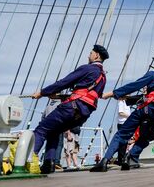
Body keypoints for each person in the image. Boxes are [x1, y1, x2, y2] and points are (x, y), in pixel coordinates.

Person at [31, 44, 108, 174]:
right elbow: (88, 94)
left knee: (41, 129)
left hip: (71, 108)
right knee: (54, 132)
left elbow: (64, 82)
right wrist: (61, 96)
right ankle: (48, 164)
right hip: (82, 114)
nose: (88, 55)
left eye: (90, 53)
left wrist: (42, 92)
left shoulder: (88, 69)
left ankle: (29, 160)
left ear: (96, 55)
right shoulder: (103, 77)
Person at [90, 67, 154, 172]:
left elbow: (135, 85)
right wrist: (127, 98)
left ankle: (105, 161)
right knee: (146, 137)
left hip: (147, 109)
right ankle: (132, 158)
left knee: (122, 134)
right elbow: (152, 97)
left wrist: (112, 94)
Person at [117, 99, 131, 164]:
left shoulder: (126, 102)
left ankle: (122, 159)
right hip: (122, 124)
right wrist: (130, 116)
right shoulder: (121, 102)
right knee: (122, 142)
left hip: (126, 123)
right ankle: (121, 159)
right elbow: (121, 113)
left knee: (125, 142)